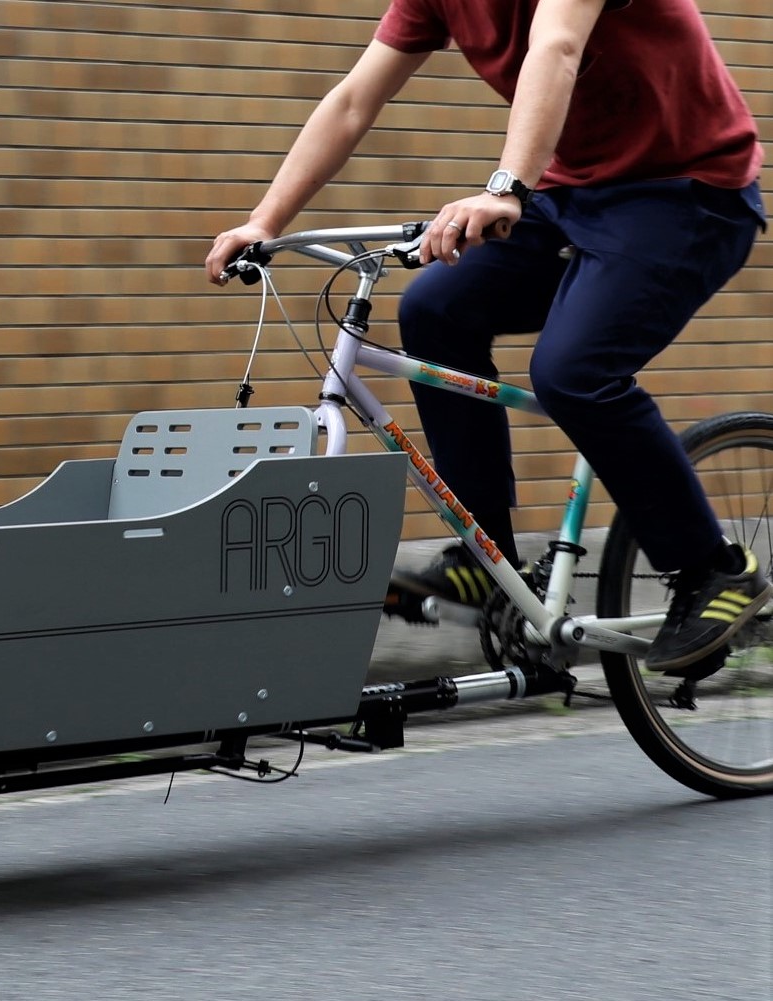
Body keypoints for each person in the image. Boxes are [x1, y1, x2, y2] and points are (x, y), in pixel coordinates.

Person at [205, 0, 769, 674]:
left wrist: (505, 188)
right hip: (569, 195)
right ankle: (487, 555)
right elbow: (355, 98)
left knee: (571, 372)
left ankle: (712, 568)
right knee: (435, 312)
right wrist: (265, 220)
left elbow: (555, 46)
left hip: (686, 191)